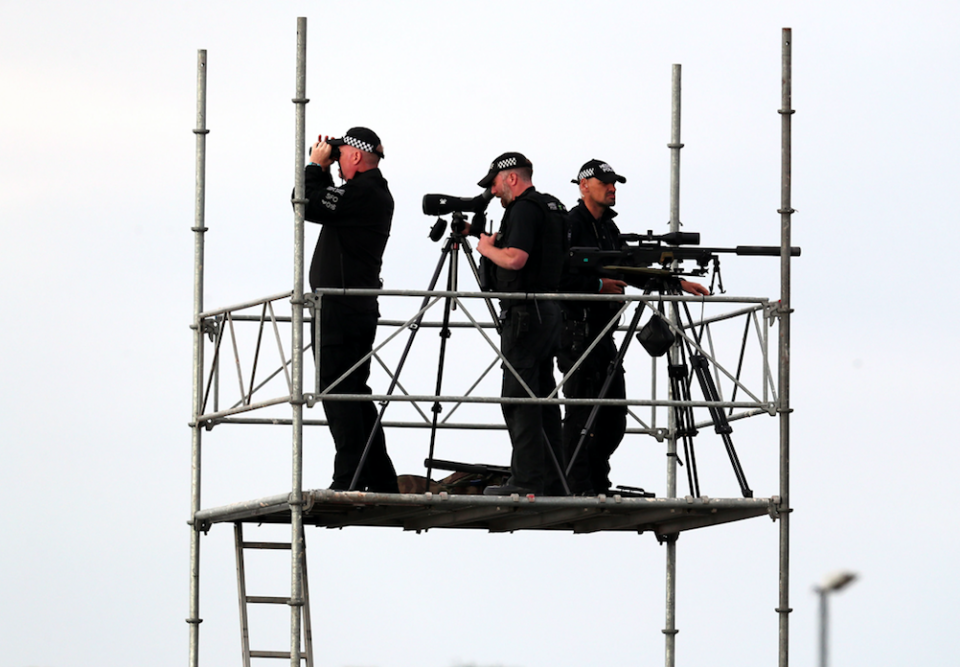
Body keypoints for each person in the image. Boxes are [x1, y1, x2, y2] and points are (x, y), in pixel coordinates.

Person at [559, 159, 709, 495]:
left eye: (614, 183)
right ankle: (575, 487)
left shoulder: (608, 229)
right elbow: (558, 276)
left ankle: (596, 485)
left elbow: (627, 268)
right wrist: (598, 287)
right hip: (576, 332)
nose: (612, 188)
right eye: (605, 182)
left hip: (603, 333)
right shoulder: (570, 225)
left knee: (612, 421)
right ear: (584, 185)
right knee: (582, 413)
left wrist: (676, 280)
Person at [301, 127, 399, 493]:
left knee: (338, 391)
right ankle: (379, 477)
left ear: (356, 156)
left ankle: (349, 478)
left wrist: (314, 165)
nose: (336, 161)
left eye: (340, 154)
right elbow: (322, 202)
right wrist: (324, 172)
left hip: (341, 309)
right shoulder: (368, 192)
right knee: (354, 391)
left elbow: (306, 204)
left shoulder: (364, 192)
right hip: (353, 306)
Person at [474, 152, 566, 496]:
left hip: (525, 315)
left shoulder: (524, 208)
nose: (494, 193)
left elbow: (515, 259)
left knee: (518, 399)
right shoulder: (552, 207)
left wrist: (485, 249)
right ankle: (554, 482)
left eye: (495, 184)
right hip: (550, 311)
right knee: (542, 399)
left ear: (511, 177)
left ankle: (527, 481)